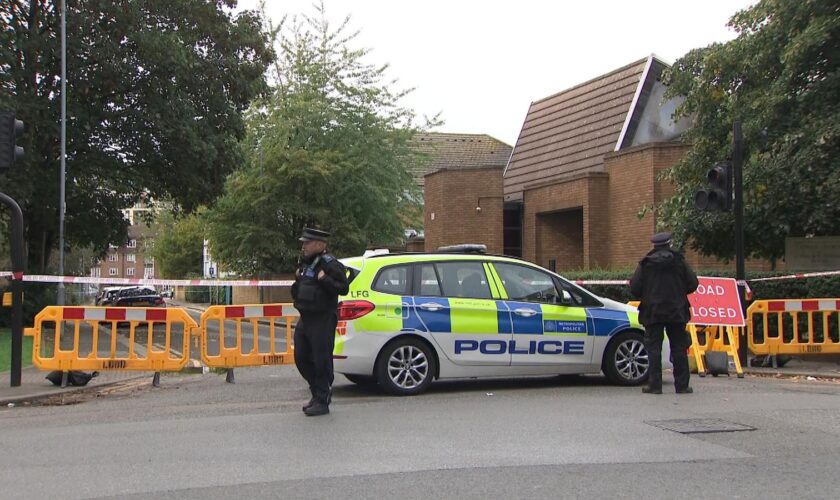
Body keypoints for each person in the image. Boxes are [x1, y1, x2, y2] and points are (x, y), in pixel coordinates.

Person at [630, 232, 699, 395]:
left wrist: (649, 295)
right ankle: (682, 386)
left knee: (653, 349)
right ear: (669, 243)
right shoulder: (679, 262)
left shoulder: (645, 264)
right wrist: (679, 292)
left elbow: (635, 288)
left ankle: (655, 385)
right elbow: (693, 283)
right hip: (677, 311)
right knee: (679, 348)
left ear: (654, 245)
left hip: (653, 312)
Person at [290, 227, 349, 416]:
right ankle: (317, 392)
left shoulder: (330, 264)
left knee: (322, 360)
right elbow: (299, 290)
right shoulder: (306, 264)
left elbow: (343, 288)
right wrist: (297, 279)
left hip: (322, 318)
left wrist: (325, 280)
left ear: (319, 244)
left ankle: (322, 400)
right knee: (301, 357)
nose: (304, 247)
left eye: (307, 243)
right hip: (305, 318)